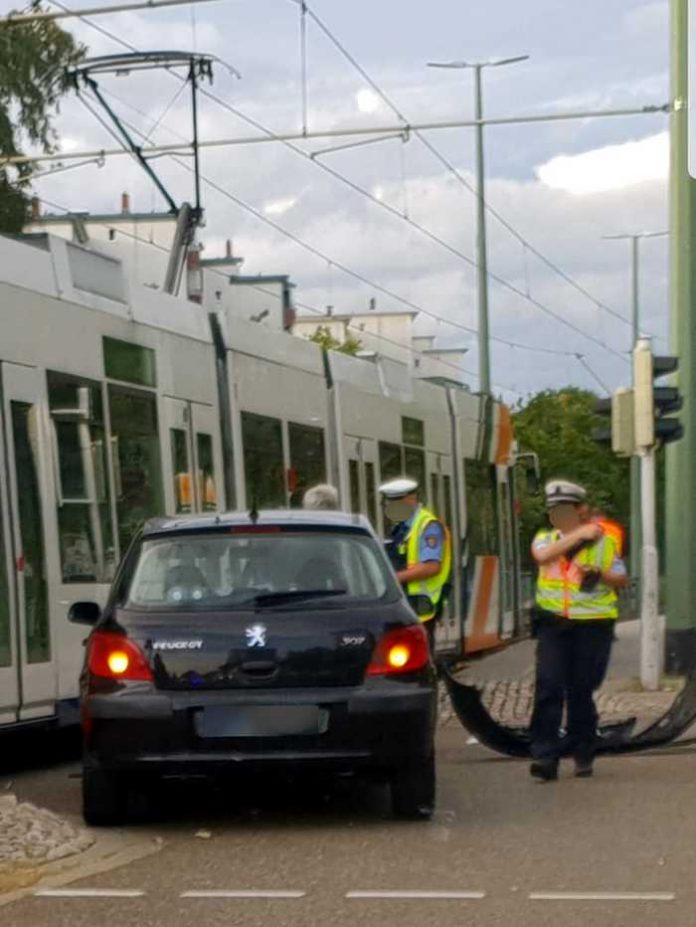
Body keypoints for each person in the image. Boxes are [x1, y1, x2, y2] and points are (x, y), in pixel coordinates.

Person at [530, 479, 628, 782]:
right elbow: (543, 557)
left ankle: (583, 748)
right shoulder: (545, 539)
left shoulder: (605, 543)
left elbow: (621, 578)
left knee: (581, 688)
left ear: (581, 510)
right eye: (553, 511)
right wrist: (578, 536)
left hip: (593, 625)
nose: (557, 517)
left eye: (565, 510)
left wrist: (599, 574)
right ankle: (545, 756)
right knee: (549, 685)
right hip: (554, 624)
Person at [378, 477, 452, 645]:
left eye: (393, 502)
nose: (388, 508)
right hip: (406, 604)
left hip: (422, 605)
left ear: (410, 500)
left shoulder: (428, 526)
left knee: (421, 655)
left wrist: (393, 578)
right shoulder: (401, 527)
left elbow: (432, 567)